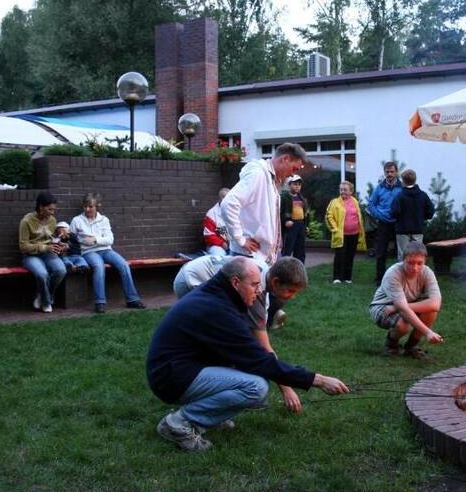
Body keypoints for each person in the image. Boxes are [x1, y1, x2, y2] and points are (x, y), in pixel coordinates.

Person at [146, 256, 349, 451]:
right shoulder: (218, 309)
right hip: (170, 378)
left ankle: (211, 416)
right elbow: (261, 360)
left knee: (251, 376)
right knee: (256, 387)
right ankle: (178, 424)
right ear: (236, 282)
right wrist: (318, 380)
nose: (259, 290)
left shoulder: (220, 295)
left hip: (182, 367)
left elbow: (248, 356)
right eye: (254, 285)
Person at [173, 254, 309, 412]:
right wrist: (287, 389)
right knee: (221, 341)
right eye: (290, 291)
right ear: (275, 282)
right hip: (190, 279)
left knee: (238, 340)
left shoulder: (260, 282)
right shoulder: (256, 290)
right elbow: (264, 348)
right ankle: (205, 397)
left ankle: (239, 390)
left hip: (197, 270)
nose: (293, 297)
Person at [221, 143, 307, 266]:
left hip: (261, 256)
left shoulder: (271, 178)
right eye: (294, 169)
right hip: (250, 256)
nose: (293, 174)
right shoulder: (258, 174)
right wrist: (240, 239)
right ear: (285, 159)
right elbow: (229, 204)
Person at [70, 193, 146, 314]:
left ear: (97, 206)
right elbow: (72, 239)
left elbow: (110, 240)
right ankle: (100, 302)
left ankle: (132, 299)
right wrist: (83, 241)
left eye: (90, 206)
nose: (87, 209)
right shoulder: (77, 220)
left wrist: (95, 240)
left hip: (106, 250)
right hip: (89, 252)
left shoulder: (104, 220)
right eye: (85, 206)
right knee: (99, 266)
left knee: (124, 265)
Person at [369, 241, 443, 359]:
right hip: (383, 307)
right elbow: (403, 309)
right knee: (404, 325)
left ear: (425, 261)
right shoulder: (393, 273)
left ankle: (411, 347)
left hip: (399, 305)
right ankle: (391, 345)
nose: (415, 268)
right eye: (410, 263)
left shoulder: (427, 272)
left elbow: (435, 304)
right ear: (403, 260)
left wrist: (396, 307)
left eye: (420, 263)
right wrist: (428, 332)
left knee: (431, 311)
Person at [18, 192, 67, 313]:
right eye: (50, 209)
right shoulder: (26, 221)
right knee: (42, 274)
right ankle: (47, 302)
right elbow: (23, 246)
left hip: (48, 253)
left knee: (61, 270)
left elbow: (51, 239)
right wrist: (45, 248)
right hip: (30, 256)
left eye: (54, 209)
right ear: (41, 207)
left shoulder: (52, 220)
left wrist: (60, 244)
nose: (52, 212)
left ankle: (42, 294)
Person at [368, 161, 403, 285]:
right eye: (387, 172)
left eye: (392, 172)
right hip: (383, 224)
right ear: (384, 172)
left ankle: (400, 279)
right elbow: (371, 204)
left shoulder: (402, 188)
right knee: (381, 252)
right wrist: (379, 215)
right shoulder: (379, 188)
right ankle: (380, 279)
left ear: (396, 172)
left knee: (401, 253)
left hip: (398, 223)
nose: (389, 174)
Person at [325, 181, 366, 284]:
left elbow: (358, 216)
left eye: (345, 190)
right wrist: (335, 229)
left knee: (350, 256)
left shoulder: (355, 201)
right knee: (340, 256)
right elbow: (328, 216)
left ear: (351, 191)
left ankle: (348, 278)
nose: (342, 191)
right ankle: (337, 278)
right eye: (341, 189)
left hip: (354, 234)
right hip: (341, 235)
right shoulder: (334, 202)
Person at [391, 169, 434, 260]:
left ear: (403, 181)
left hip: (402, 231)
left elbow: (394, 213)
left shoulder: (399, 196)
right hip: (417, 230)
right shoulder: (423, 195)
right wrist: (422, 218)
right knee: (418, 254)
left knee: (403, 256)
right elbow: (430, 212)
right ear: (415, 180)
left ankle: (403, 270)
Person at [281, 175, 308, 263]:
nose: (297, 186)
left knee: (300, 250)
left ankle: (299, 268)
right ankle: (284, 268)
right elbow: (279, 212)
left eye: (299, 184)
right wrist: (285, 221)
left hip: (300, 225)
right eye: (295, 184)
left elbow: (306, 213)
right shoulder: (284, 197)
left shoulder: (302, 198)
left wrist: (305, 225)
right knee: (287, 249)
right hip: (290, 226)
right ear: (289, 185)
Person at [203, 188, 231, 256]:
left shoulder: (236, 210)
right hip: (217, 245)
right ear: (220, 198)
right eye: (224, 197)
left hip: (234, 244)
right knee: (219, 255)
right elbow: (209, 235)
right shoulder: (211, 213)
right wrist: (222, 243)